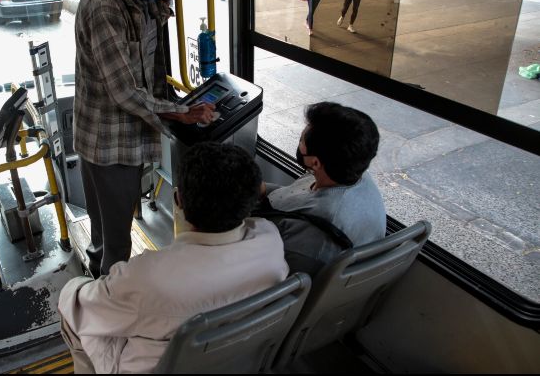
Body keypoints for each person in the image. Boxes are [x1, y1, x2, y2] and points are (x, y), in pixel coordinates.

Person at [58, 142, 289, 374]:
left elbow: (80, 309)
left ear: (178, 200)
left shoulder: (146, 276)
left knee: (73, 308)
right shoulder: (271, 241)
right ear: (250, 201)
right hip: (236, 359)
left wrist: (76, 287)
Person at [73, 0, 215, 278]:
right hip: (108, 143)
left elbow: (150, 57)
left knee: (108, 230)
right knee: (116, 242)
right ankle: (109, 305)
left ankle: (99, 279)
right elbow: (123, 91)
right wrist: (180, 113)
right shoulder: (105, 6)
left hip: (126, 136)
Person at [261, 102, 386, 276]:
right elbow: (298, 196)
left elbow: (280, 278)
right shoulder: (349, 172)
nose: (300, 141)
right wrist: (262, 188)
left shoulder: (318, 232)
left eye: (301, 140)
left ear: (315, 162)